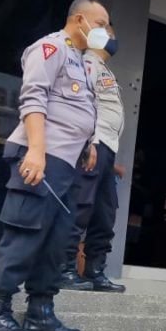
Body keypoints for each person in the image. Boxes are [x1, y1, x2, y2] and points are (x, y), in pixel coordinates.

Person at [0, 0, 109, 331]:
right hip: (41, 157)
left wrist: (89, 143)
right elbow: (33, 98)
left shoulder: (80, 62)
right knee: (25, 234)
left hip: (66, 163)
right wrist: (35, 150)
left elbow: (75, 110)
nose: (105, 32)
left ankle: (41, 311)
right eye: (101, 23)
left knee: (56, 241)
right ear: (79, 19)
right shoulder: (50, 48)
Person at [61, 24, 128, 293]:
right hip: (94, 144)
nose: (114, 40)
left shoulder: (103, 69)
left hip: (107, 150)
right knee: (80, 208)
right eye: (110, 34)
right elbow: (83, 105)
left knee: (104, 213)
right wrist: (90, 143)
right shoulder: (86, 64)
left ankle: (95, 270)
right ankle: (65, 268)